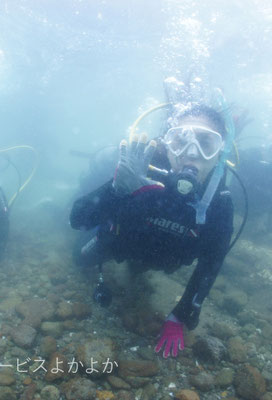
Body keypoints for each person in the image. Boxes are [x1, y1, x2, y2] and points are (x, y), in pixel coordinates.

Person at [70, 104, 234, 358]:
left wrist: (180, 315)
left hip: (162, 260)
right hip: (117, 246)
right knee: (78, 258)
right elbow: (78, 219)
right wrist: (116, 190)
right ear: (167, 145)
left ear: (220, 153)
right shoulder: (141, 173)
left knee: (138, 271)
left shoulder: (219, 202)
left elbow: (211, 263)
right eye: (181, 141)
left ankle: (138, 267)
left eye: (206, 144)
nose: (192, 154)